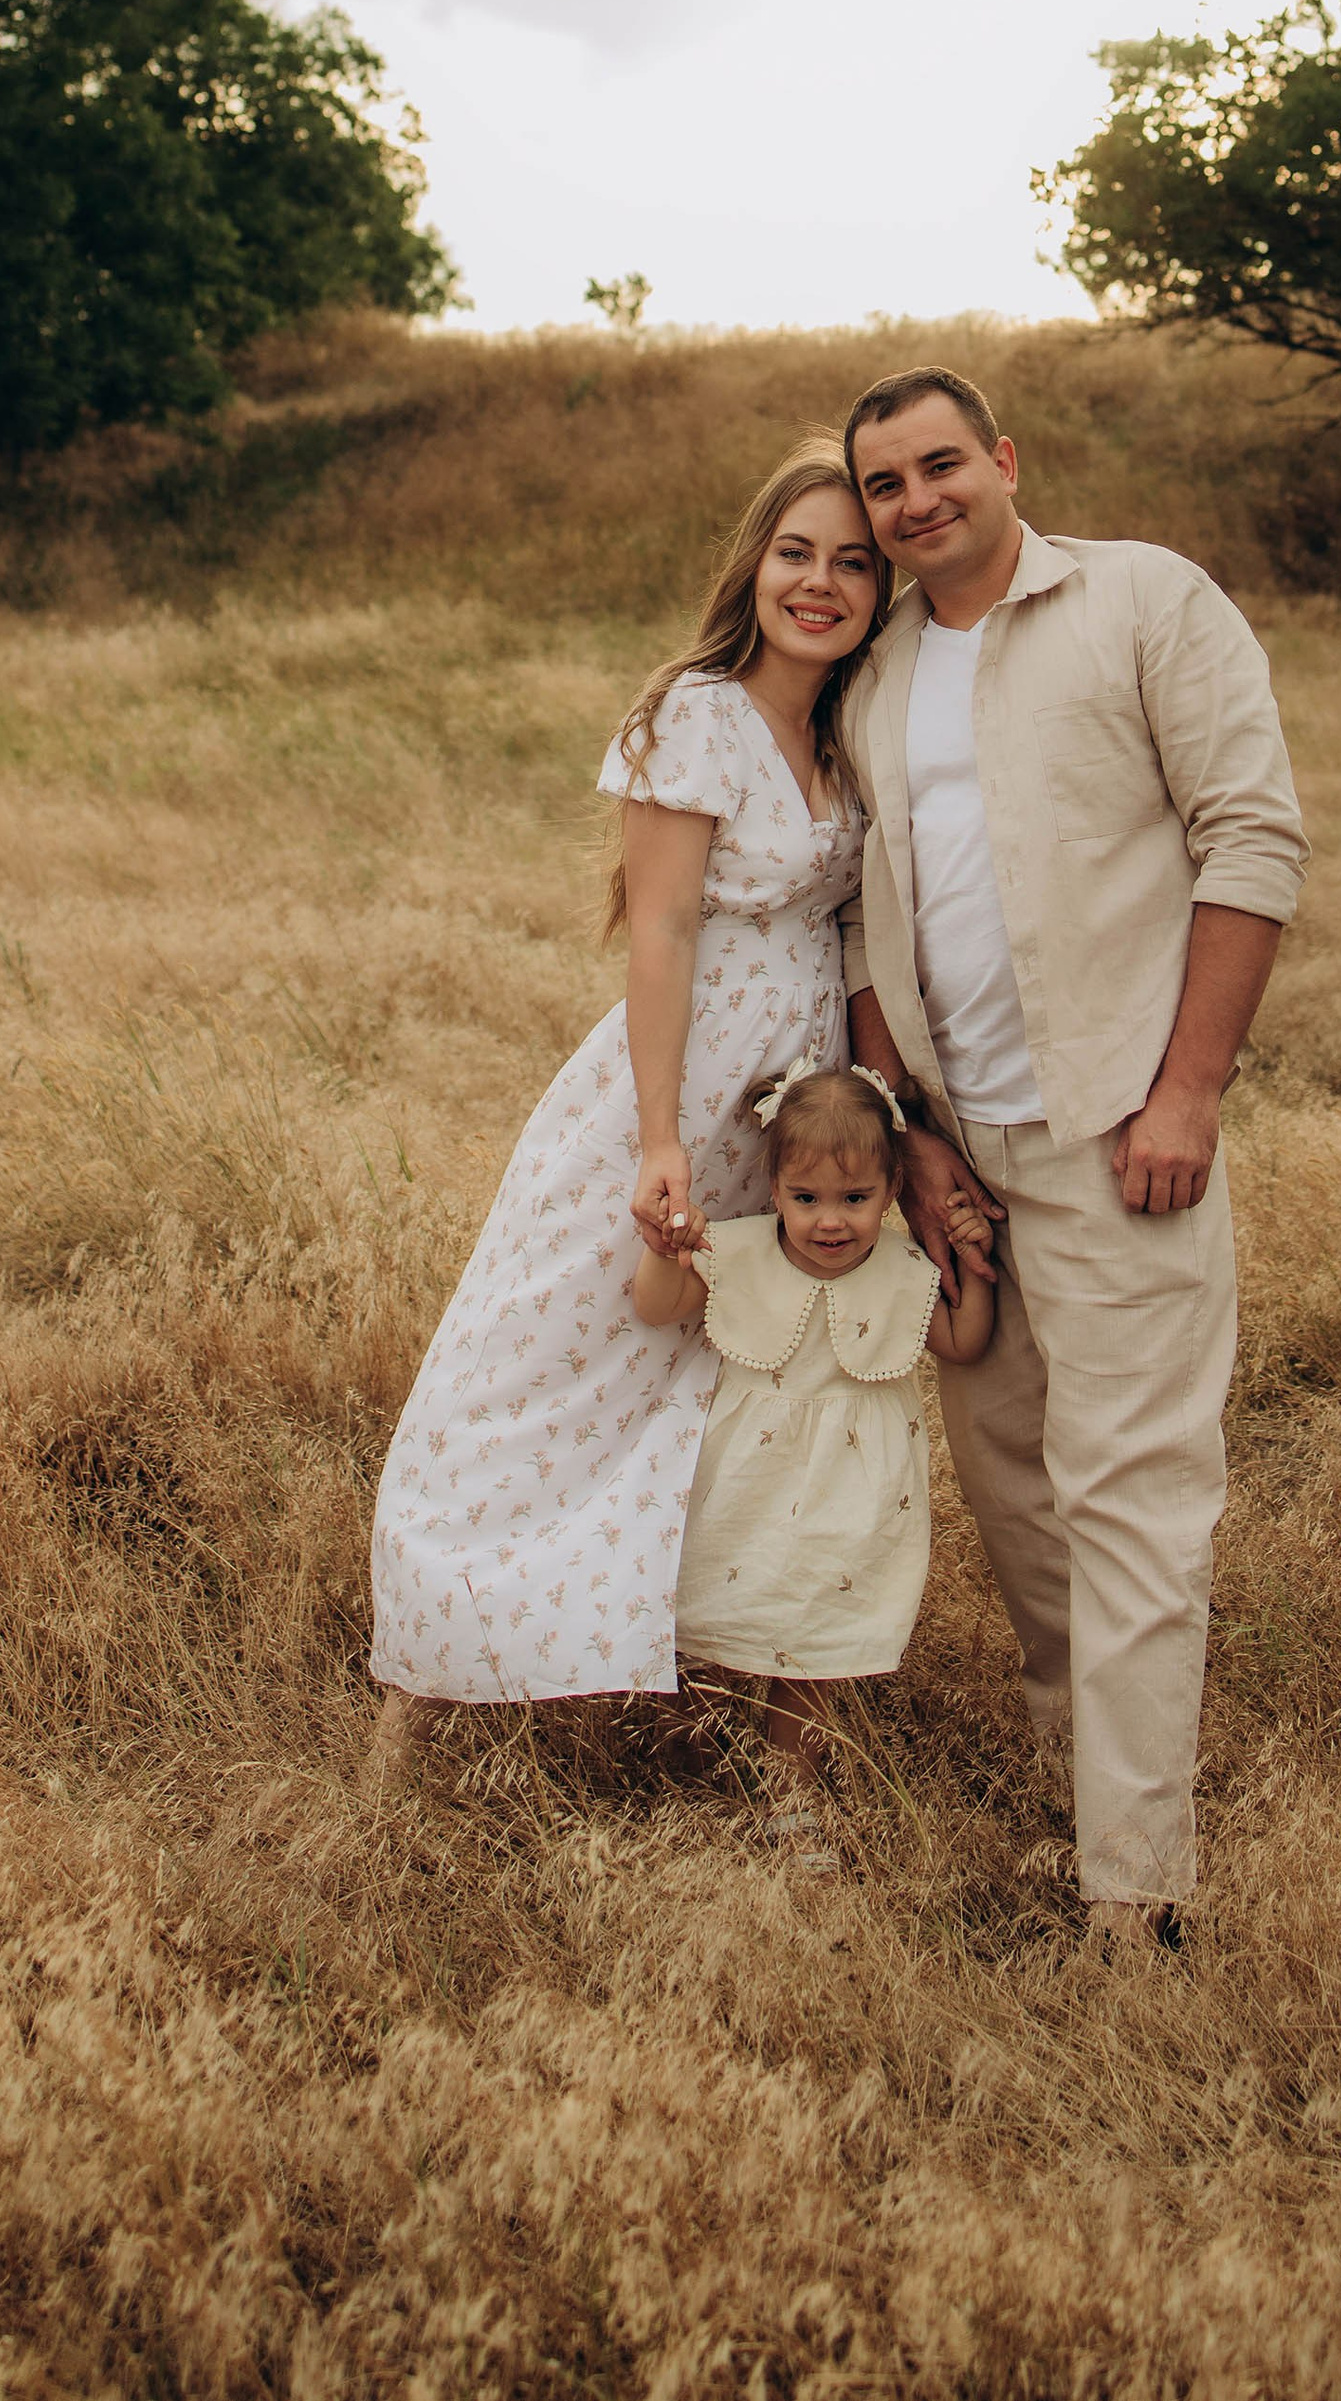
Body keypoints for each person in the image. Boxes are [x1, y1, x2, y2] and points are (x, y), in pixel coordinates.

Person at [835, 366, 1310, 1951]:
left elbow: (1253, 837)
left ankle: (1136, 1892)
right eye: (887, 483)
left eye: (941, 464)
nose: (918, 500)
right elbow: (864, 920)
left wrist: (1189, 1092)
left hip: (1117, 1132)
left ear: (1005, 460)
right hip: (960, 1153)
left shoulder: (1144, 603)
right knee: (1014, 1492)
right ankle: (1083, 1772)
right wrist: (909, 1136)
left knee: (1132, 1497)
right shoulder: (878, 669)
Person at [368, 445, 883, 1749]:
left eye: (852, 562)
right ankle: (434, 1658)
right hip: (680, 1089)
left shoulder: (847, 728)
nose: (819, 583)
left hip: (798, 1109)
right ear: (753, 564)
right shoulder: (698, 714)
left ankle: (697, 1674)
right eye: (795, 552)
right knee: (554, 1356)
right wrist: (658, 1138)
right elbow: (660, 932)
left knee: (736, 1374)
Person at [632, 1059, 997, 1832]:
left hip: (849, 1498)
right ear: (774, 1190)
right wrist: (665, 1249)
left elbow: (963, 1342)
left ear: (892, 1190)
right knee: (706, 1626)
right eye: (806, 1199)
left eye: (855, 1199)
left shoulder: (905, 1269)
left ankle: (792, 1799)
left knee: (811, 1646)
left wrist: (975, 1262)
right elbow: (657, 1307)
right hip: (743, 1485)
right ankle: (690, 1779)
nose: (830, 1221)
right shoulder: (737, 1251)